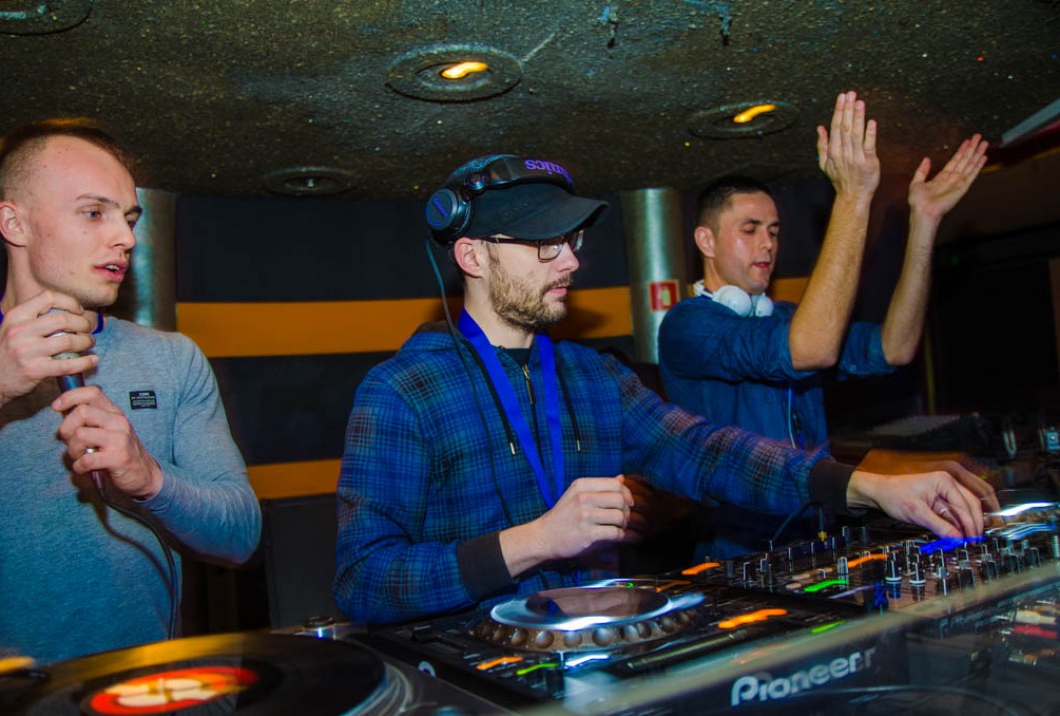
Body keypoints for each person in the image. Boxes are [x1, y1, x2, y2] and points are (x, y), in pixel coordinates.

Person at [333, 152, 985, 625]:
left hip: (601, 657)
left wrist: (864, 486)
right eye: (543, 244)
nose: (572, 260)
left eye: (571, 240)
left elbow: (709, 452)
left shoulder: (593, 376)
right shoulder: (402, 392)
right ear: (473, 255)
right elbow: (363, 581)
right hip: (478, 681)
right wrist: (534, 541)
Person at [657, 93, 993, 558]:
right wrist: (853, 197)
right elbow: (810, 349)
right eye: (750, 229)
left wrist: (924, 223)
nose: (767, 244)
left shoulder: (784, 319)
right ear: (706, 241)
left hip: (818, 536)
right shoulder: (687, 325)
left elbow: (894, 348)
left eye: (774, 231)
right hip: (739, 551)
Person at [0, 119, 261, 666]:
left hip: (149, 688)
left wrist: (149, 478)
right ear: (15, 222)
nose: (126, 239)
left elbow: (241, 536)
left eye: (129, 219)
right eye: (94, 213)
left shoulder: (173, 359)